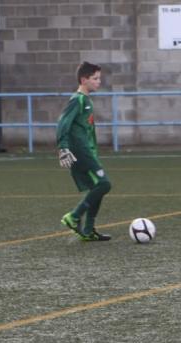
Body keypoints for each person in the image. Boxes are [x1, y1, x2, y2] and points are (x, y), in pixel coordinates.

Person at [57, 61, 112, 241]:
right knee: (104, 184)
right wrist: (63, 147)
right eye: (95, 78)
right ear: (83, 79)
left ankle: (88, 230)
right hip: (79, 151)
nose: (98, 82)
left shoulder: (86, 100)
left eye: (99, 78)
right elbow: (63, 124)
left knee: (97, 187)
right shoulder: (77, 100)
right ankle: (73, 217)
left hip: (87, 150)